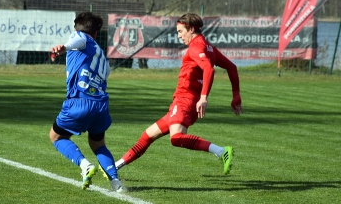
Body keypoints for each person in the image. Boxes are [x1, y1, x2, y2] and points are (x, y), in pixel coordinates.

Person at [114, 13, 243, 177]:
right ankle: (115, 167)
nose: (179, 35)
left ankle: (221, 151)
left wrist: (204, 97)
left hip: (185, 101)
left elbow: (209, 69)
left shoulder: (196, 47)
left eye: (181, 31)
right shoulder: (209, 47)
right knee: (147, 136)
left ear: (191, 29)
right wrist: (236, 95)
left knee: (176, 139)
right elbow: (232, 67)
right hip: (185, 101)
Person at [49, 12, 126, 192]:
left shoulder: (79, 37)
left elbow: (78, 40)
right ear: (97, 33)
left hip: (79, 102)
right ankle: (116, 182)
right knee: (98, 144)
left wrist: (65, 47)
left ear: (76, 28)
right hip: (100, 105)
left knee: (56, 136)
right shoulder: (101, 56)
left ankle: (85, 165)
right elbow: (104, 75)